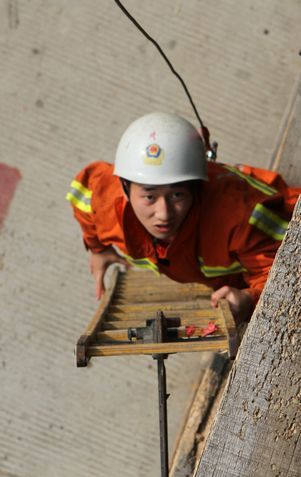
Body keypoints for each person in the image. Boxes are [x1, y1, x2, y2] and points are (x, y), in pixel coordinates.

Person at [66, 112, 300, 323]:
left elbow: (289, 272)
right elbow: (82, 198)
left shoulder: (242, 219)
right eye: (149, 197)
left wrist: (250, 298)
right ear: (125, 188)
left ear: (196, 187)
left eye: (177, 194)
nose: (164, 214)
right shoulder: (103, 197)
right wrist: (97, 249)